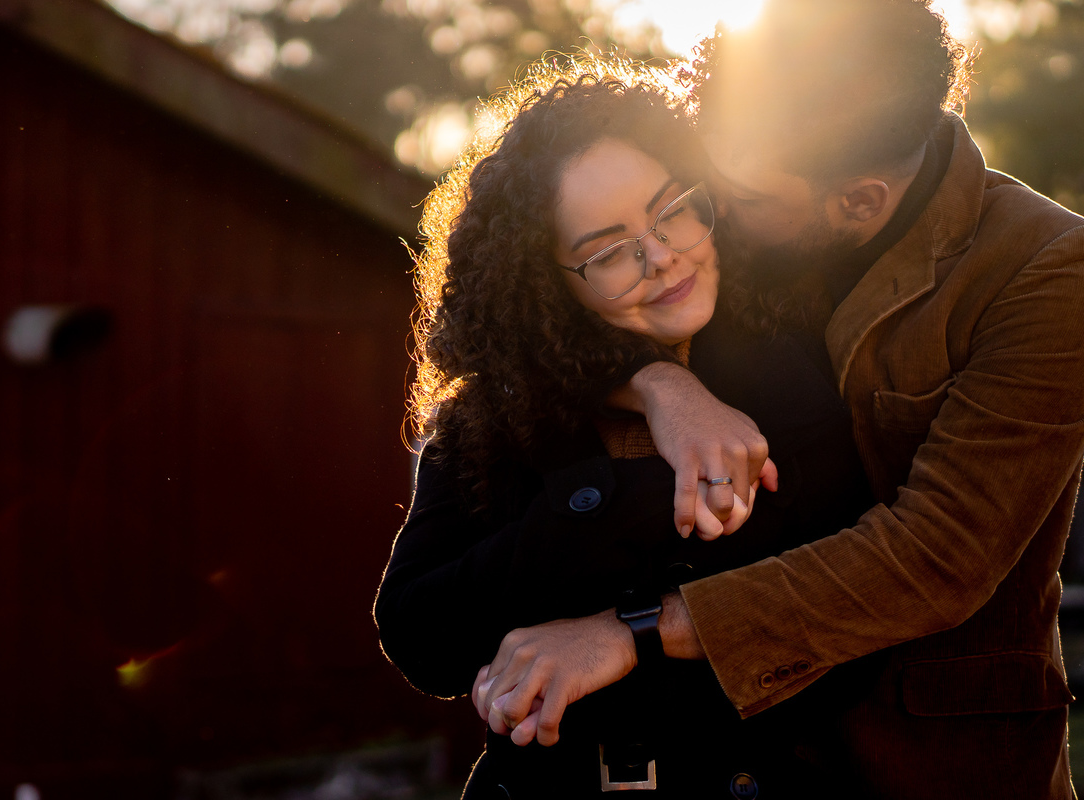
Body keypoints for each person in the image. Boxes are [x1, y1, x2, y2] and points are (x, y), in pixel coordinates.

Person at [473, 1, 1084, 797]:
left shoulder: (1046, 272)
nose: (710, 216)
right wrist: (661, 385)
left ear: (858, 202)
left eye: (742, 197)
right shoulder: (750, 201)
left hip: (926, 763)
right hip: (735, 763)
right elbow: (560, 304)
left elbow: (939, 558)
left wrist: (636, 633)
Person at [375, 55, 875, 798]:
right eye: (609, 252)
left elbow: (839, 595)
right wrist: (630, 444)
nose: (663, 255)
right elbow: (422, 636)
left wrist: (617, 632)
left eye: (674, 208)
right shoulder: (494, 416)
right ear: (547, 282)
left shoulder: (806, 366)